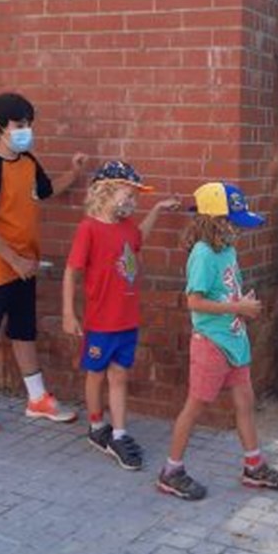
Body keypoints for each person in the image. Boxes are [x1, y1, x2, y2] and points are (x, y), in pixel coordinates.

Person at [0, 92, 87, 435]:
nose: (26, 131)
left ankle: (37, 399)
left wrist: (75, 171)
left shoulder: (27, 161)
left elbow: (46, 190)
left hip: (25, 264)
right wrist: (14, 259)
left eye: (29, 125)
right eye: (20, 125)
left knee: (24, 331)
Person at [156, 182, 278, 500]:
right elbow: (194, 302)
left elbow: (225, 291)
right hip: (211, 343)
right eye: (233, 222)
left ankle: (254, 466)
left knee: (245, 403)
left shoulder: (227, 250)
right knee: (195, 406)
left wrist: (240, 303)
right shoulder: (203, 255)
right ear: (215, 221)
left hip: (234, 340)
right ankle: (171, 470)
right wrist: (238, 307)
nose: (238, 229)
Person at [62, 161, 180, 470]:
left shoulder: (128, 227)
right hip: (101, 322)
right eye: (127, 196)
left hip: (127, 320)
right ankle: (97, 426)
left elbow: (139, 237)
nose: (132, 203)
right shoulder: (89, 228)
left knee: (119, 376)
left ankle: (119, 432)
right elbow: (71, 271)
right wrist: (68, 312)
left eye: (135, 198)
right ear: (105, 192)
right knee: (96, 373)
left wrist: (156, 209)